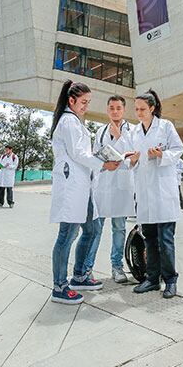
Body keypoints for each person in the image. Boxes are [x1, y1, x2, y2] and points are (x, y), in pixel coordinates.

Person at [49, 80, 121, 304]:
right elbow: (79, 154)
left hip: (83, 187)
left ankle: (80, 275)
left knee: (92, 228)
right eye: (83, 102)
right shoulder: (68, 121)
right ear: (71, 101)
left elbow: (82, 153)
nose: (86, 106)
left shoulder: (76, 122)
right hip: (72, 188)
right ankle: (60, 286)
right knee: (66, 236)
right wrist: (103, 164)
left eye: (88, 102)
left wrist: (103, 158)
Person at [126, 89, 183, 299]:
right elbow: (131, 158)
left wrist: (162, 155)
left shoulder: (166, 126)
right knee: (149, 238)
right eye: (136, 109)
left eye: (142, 109)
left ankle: (170, 280)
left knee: (165, 240)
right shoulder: (134, 131)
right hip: (144, 191)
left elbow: (178, 149)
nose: (139, 113)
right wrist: (131, 160)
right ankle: (152, 278)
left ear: (152, 108)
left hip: (163, 191)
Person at [87, 95, 135, 285]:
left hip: (121, 184)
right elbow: (94, 157)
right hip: (103, 183)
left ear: (123, 110)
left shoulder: (132, 130)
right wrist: (104, 164)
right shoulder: (100, 131)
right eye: (112, 108)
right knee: (95, 229)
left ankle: (117, 266)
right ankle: (87, 268)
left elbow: (134, 154)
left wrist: (120, 138)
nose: (115, 111)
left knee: (119, 227)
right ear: (107, 110)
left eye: (118, 108)